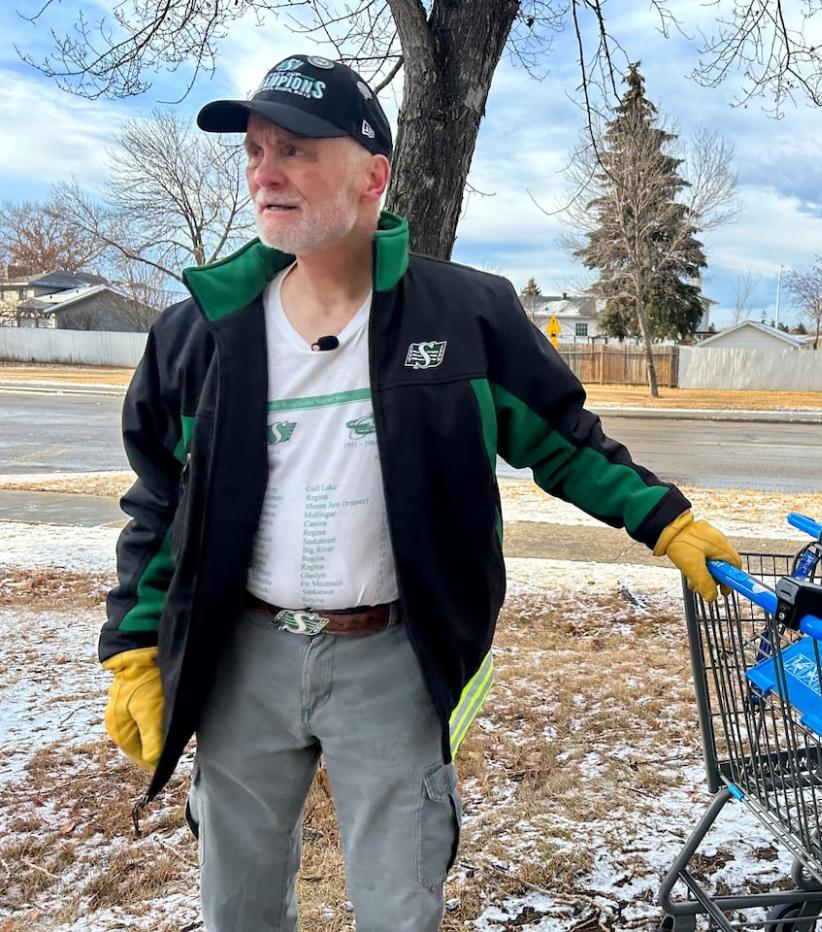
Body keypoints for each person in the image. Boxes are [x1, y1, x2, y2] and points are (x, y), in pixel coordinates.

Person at [99, 53, 741, 932]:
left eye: (293, 149)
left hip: (391, 661)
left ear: (373, 175)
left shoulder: (463, 315)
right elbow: (162, 501)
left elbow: (562, 440)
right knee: (236, 908)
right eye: (254, 151)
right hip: (241, 655)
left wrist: (665, 522)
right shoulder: (201, 335)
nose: (264, 171)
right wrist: (134, 647)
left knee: (401, 907)